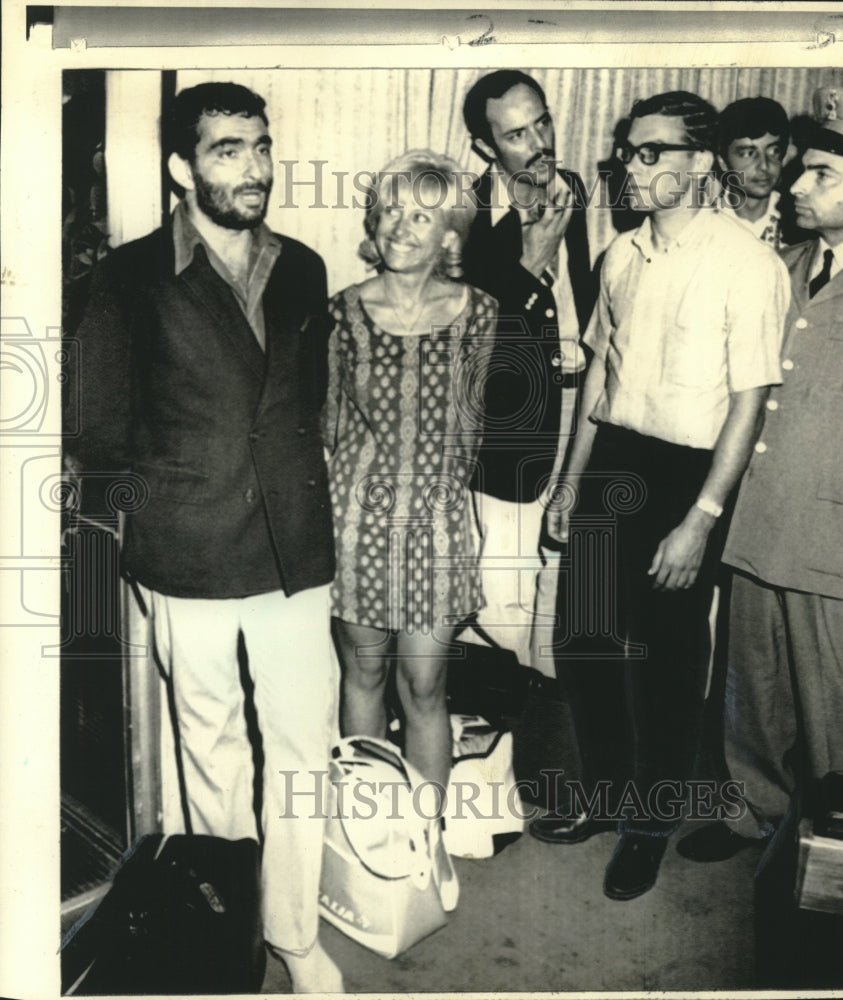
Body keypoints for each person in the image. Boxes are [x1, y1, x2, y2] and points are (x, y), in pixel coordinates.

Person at [70, 83, 342, 991]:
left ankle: (296, 935)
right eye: (228, 149)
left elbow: (308, 407)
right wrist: (121, 554)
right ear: (183, 168)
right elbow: (99, 429)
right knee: (211, 746)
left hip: (295, 548)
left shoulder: (304, 267)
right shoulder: (124, 277)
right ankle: (229, 931)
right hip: (186, 547)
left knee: (305, 747)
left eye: (261, 146)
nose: (254, 167)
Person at [534, 91, 790, 901]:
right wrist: (569, 483)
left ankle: (648, 825)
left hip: (689, 475)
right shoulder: (618, 255)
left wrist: (700, 521)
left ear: (700, 164)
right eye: (626, 153)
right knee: (585, 641)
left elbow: (748, 401)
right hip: (613, 457)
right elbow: (600, 379)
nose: (630, 167)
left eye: (650, 153)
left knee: (664, 663)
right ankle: (607, 797)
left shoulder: (746, 262)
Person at [678, 86, 843, 863]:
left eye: (820, 175)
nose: (794, 186)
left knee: (841, 717)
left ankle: (840, 855)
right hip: (761, 521)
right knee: (753, 697)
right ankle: (750, 816)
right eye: (799, 171)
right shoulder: (786, 264)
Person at [326, 151, 494, 822]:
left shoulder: (480, 314)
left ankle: (423, 839)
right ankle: (371, 838)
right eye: (391, 209)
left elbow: (473, 427)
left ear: (450, 236)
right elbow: (329, 428)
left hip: (436, 525)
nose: (400, 226)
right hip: (356, 525)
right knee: (363, 675)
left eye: (422, 215)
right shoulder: (341, 312)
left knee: (424, 685)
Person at [460, 70, 596, 670]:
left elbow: (582, 296)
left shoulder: (572, 189)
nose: (540, 141)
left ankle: (548, 721)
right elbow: (469, 348)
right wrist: (528, 264)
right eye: (517, 134)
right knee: (500, 595)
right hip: (510, 421)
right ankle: (532, 693)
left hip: (583, 406)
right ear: (487, 148)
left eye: (543, 122)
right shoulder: (463, 218)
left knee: (565, 576)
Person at [717, 96, 790, 250]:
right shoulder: (703, 221)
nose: (764, 165)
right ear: (723, 162)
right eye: (748, 153)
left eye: (773, 151)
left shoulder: (799, 222)